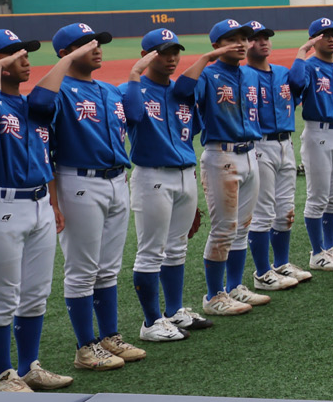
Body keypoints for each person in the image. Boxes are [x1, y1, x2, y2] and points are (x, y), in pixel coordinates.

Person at [0, 30, 74, 390]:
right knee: (1, 296)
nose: (25, 59)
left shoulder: (31, 106)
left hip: (38, 203)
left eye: (25, 53)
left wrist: (52, 204)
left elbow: (46, 97)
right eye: (13, 54)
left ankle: (29, 367)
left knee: (36, 294)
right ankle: (3, 376)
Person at [38, 23, 146, 370]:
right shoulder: (59, 92)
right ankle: (85, 348)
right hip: (78, 181)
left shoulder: (108, 90)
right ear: (64, 54)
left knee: (108, 269)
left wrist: (134, 75)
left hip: (117, 180)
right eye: (85, 44)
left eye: (97, 42)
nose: (96, 47)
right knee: (82, 269)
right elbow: (40, 116)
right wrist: (54, 201)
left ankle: (109, 337)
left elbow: (136, 115)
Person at [122, 29, 211, 343]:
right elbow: (132, 116)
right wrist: (135, 74)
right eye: (163, 52)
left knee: (177, 248)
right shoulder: (133, 89)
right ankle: (150, 322)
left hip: (185, 174)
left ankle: (174, 311)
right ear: (147, 56)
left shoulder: (181, 92)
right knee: (151, 251)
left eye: (175, 51)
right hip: (153, 176)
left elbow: (193, 130)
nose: (171, 58)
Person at [185, 19, 268, 313]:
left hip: (250, 154)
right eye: (232, 39)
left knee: (243, 227)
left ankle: (234, 287)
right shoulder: (208, 76)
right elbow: (182, 91)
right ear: (216, 46)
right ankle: (213, 296)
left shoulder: (250, 75)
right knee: (223, 229)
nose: (241, 44)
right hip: (221, 157)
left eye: (244, 38)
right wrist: (206, 59)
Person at [289, 19, 333, 265]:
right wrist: (302, 52)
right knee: (318, 197)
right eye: (324, 35)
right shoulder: (308, 67)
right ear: (313, 40)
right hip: (318, 134)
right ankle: (317, 253)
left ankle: (330, 247)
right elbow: (295, 84)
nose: (331, 38)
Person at [243, 22, 300, 289]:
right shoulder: (241, 75)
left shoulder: (282, 73)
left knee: (285, 209)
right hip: (259, 145)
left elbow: (298, 93)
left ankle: (281, 263)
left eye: (266, 37)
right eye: (255, 38)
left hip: (286, 143)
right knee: (263, 211)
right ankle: (262, 273)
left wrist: (302, 53)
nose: (263, 42)